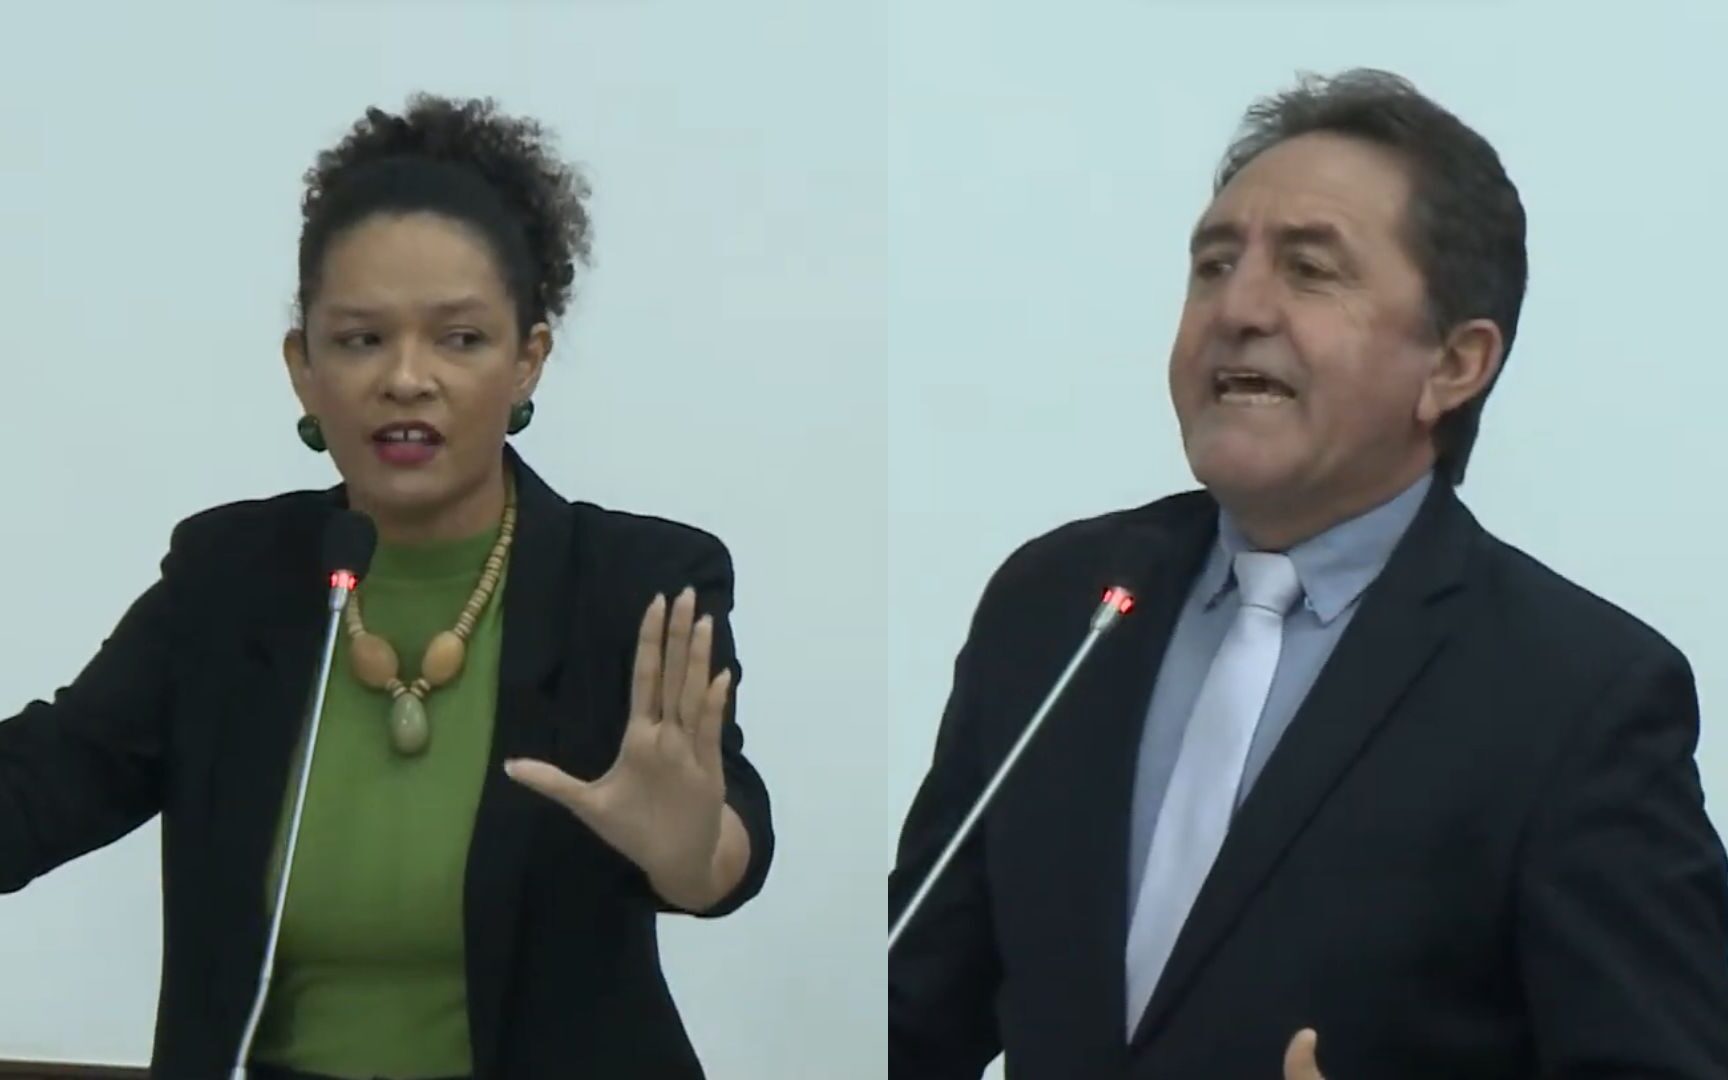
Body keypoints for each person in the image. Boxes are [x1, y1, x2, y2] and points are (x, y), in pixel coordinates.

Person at [888, 68, 1728, 1079]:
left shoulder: (1579, 696)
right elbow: (911, 1009)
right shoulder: (1058, 605)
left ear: (1454, 364)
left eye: (1310, 270)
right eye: (1213, 264)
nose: (1237, 307)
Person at [0, 94, 773, 1079]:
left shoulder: (634, 585)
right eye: (361, 339)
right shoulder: (230, 579)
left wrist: (691, 853)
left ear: (528, 360)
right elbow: (42, 788)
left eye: (460, 339)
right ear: (303, 367)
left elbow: (724, 837)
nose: (407, 379)